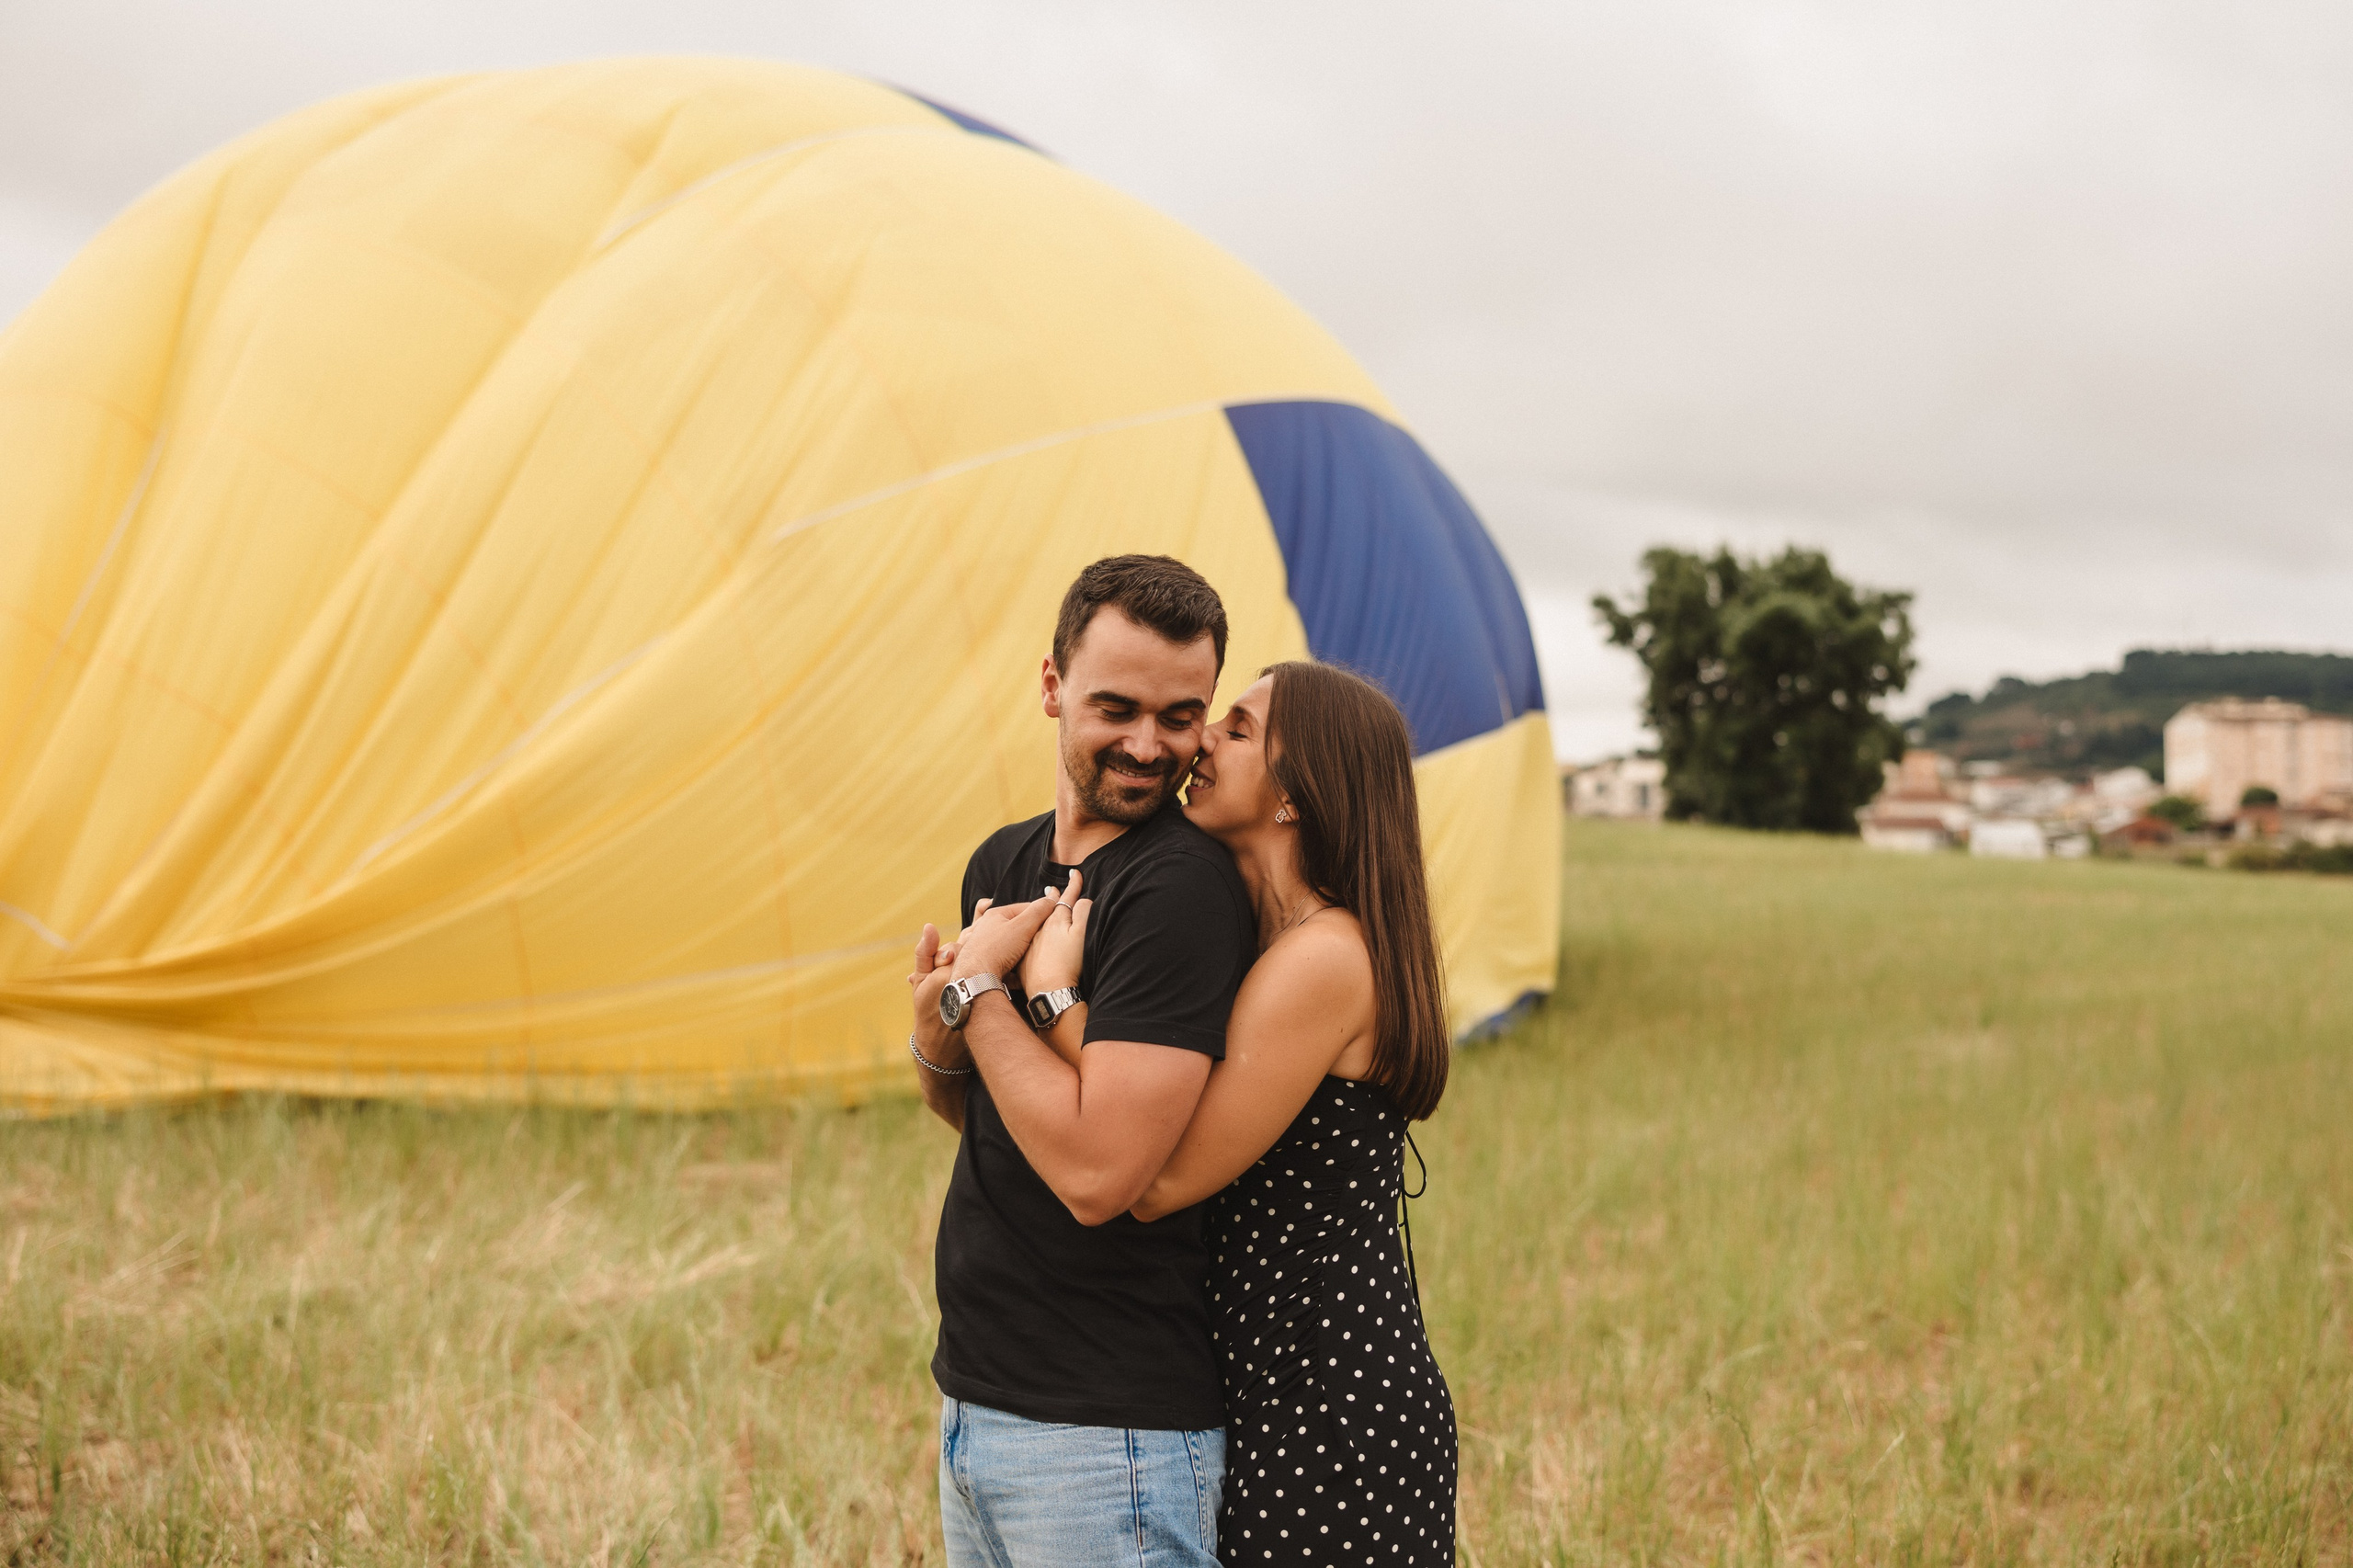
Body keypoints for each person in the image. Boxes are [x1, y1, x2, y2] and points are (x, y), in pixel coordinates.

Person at [994, 659, 1460, 1566]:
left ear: (1296, 794)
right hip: (1272, 1378)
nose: (1202, 737)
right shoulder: (1272, 941)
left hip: (1325, 1400)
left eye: (1237, 729)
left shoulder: (1323, 956)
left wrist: (1046, 996)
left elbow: (1159, 1175)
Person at [907, 555, 1256, 1567]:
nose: (1149, 744)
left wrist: (980, 993)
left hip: (1113, 1440)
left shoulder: (1177, 891)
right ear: (1052, 685)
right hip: (979, 1397)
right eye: (1116, 706)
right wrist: (939, 1029)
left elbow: (1101, 1172)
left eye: (1181, 715)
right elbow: (992, 1115)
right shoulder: (1003, 861)